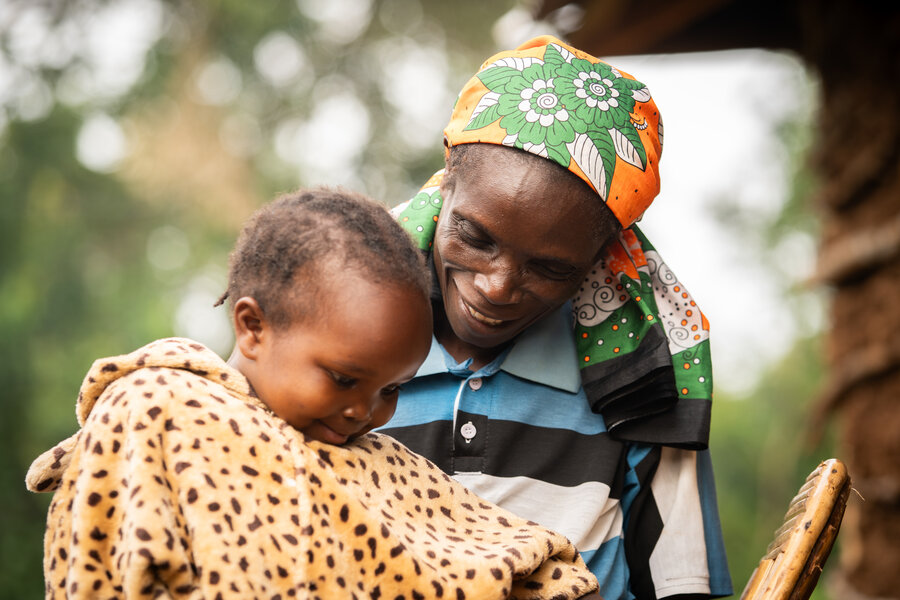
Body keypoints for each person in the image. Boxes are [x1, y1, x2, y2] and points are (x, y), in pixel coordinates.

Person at [26, 187, 600, 599]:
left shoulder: (388, 467)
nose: (366, 413)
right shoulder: (163, 413)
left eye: (393, 390)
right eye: (345, 379)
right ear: (252, 327)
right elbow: (98, 566)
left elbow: (516, 557)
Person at [378, 36, 733, 600]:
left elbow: (684, 587)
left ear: (601, 258)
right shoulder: (345, 341)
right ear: (446, 183)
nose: (497, 288)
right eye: (474, 237)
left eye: (549, 267)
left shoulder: (640, 382)